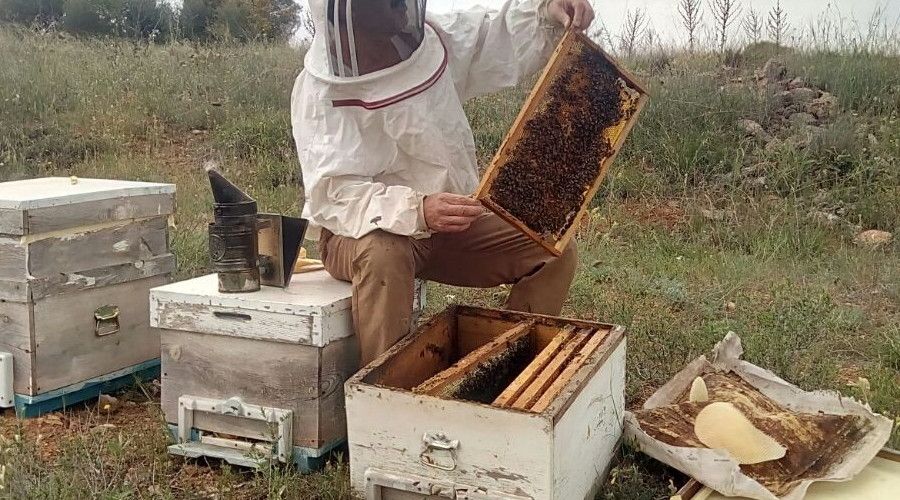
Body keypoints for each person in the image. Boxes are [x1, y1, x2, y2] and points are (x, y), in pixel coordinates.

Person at [291, 0, 595, 366]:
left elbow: (494, 36)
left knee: (552, 250)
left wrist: (547, 9)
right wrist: (416, 209)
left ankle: (508, 369)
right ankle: (384, 388)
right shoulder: (318, 92)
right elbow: (334, 194)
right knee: (386, 252)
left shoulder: (435, 40)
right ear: (349, 12)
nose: (399, 5)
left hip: (446, 220)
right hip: (356, 233)